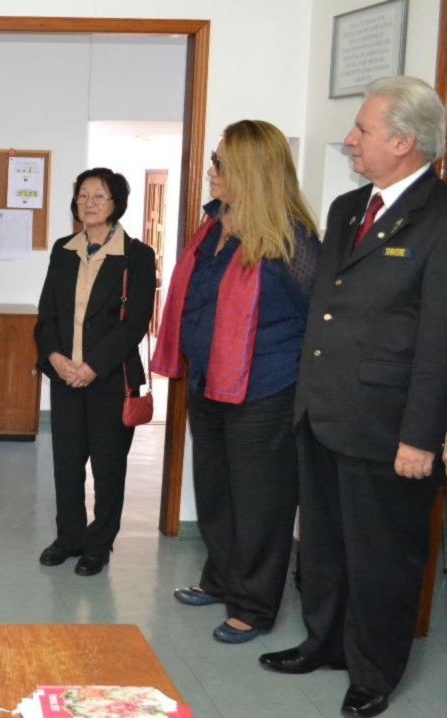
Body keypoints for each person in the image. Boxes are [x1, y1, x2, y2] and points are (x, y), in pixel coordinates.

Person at [259, 76, 447, 718]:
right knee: (325, 546)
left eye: (363, 130)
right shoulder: (346, 209)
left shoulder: (440, 217)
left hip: (388, 425)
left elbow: (439, 341)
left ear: (403, 141)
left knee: (382, 559)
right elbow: (327, 309)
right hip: (322, 412)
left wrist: (421, 436)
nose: (350, 139)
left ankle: (373, 672)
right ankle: (324, 644)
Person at [152, 120, 320, 644]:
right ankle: (221, 580)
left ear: (250, 170)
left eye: (220, 164)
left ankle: (254, 605)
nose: (211, 171)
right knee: (217, 491)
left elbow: (321, 321)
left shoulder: (292, 242)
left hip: (264, 392)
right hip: (209, 384)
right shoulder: (215, 227)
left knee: (260, 502)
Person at [34, 168, 155, 577]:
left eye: (99, 196)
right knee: (66, 464)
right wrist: (55, 357)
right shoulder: (63, 250)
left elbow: (134, 324)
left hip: (111, 380)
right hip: (65, 377)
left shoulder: (137, 256)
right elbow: (47, 314)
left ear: (116, 203)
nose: (89, 203)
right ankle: (69, 537)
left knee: (108, 466)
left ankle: (99, 544)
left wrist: (93, 367)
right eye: (83, 195)